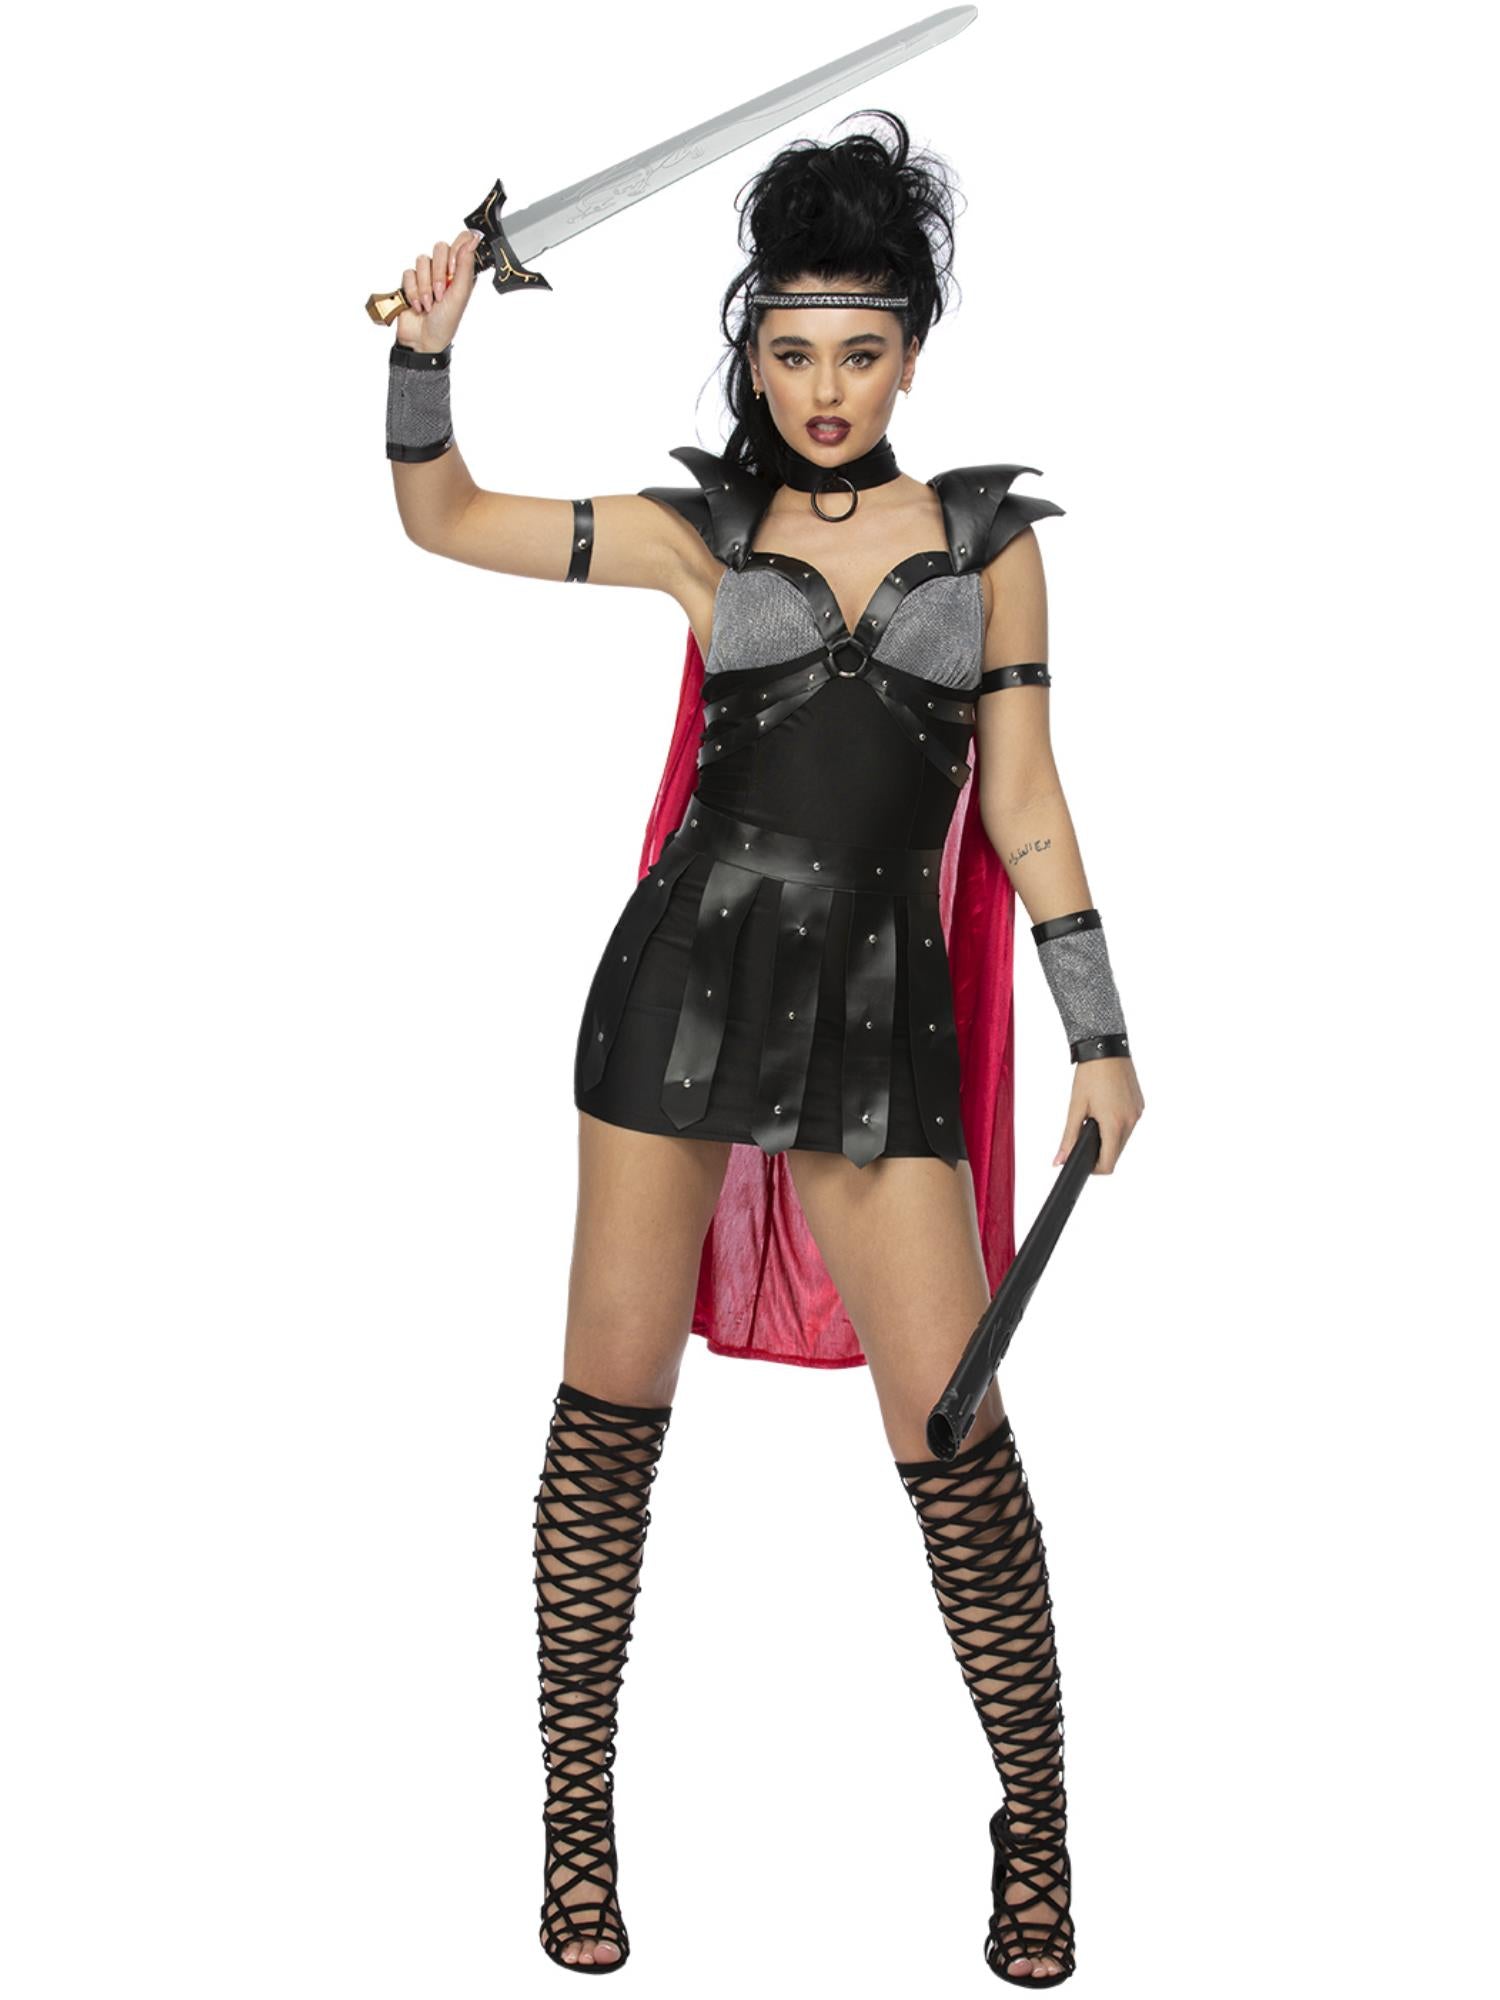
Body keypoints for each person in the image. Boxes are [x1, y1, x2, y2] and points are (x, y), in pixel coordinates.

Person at [384, 109, 1143, 1984]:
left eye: (859, 351)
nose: (822, 388)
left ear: (913, 353)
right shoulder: (697, 536)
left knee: (956, 1441)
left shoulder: (990, 547)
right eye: (791, 351)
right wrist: (429, 353)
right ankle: (576, 1842)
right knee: (605, 1426)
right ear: (753, 349)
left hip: (882, 1012)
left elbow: (1026, 806)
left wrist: (1099, 1035)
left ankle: (1039, 1833)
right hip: (678, 990)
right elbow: (444, 516)